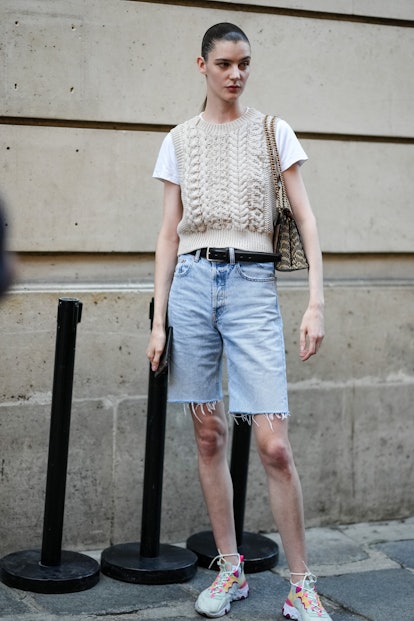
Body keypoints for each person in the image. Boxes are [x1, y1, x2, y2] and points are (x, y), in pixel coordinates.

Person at [147, 22, 331, 621]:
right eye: (225, 63)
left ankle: (302, 583)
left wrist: (315, 302)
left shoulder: (274, 132)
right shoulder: (178, 139)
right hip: (193, 288)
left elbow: (305, 219)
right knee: (208, 434)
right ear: (201, 65)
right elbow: (168, 234)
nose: (236, 74)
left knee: (275, 445)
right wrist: (158, 318)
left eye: (244, 63)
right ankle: (231, 570)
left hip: (252, 286)